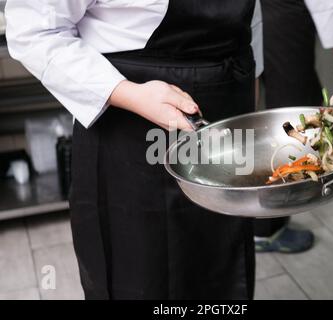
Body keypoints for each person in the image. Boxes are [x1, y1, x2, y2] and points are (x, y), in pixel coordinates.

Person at [5, 0, 264, 299]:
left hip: (226, 112)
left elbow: (249, 18)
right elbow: (33, 30)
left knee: (220, 266)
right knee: (142, 275)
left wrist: (250, 102)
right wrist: (130, 95)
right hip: (128, 128)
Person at [254, 0, 333, 253]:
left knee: (271, 117)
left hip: (250, 16)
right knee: (293, 121)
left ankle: (257, 221)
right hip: (281, 16)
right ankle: (264, 229)